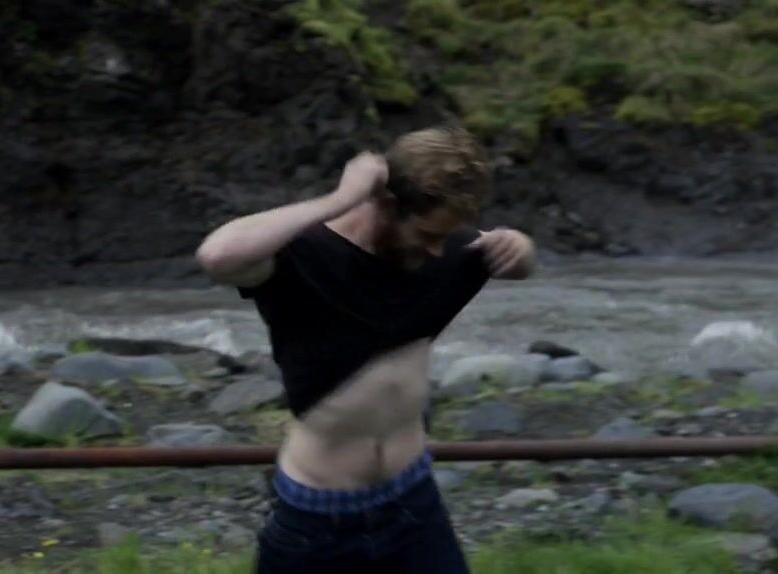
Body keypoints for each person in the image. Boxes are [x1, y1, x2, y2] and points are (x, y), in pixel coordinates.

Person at [194, 126, 537, 574]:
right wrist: (340, 199)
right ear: (385, 203)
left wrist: (519, 246)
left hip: (414, 504)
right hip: (317, 521)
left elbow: (517, 264)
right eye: (428, 235)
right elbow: (218, 256)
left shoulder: (438, 252)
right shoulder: (302, 259)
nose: (439, 251)